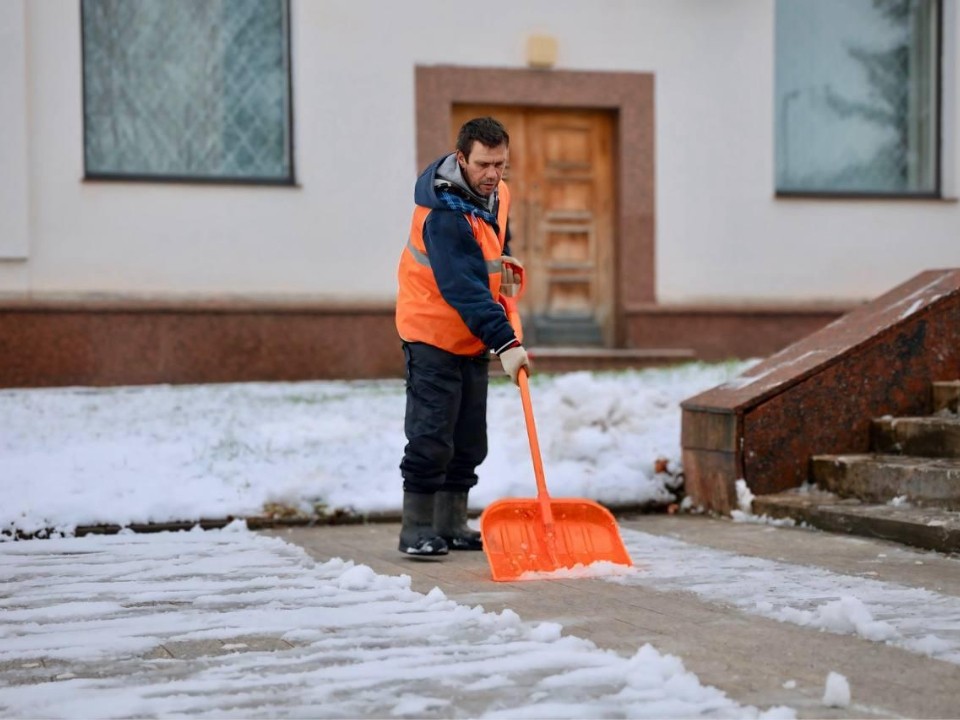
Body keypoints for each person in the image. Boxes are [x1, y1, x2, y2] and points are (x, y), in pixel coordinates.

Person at [394, 116, 530, 556]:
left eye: (500, 165)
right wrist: (506, 341)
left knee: (470, 440)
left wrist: (506, 267)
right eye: (483, 165)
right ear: (461, 159)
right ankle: (416, 530)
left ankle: (451, 524)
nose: (493, 175)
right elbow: (463, 287)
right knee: (432, 437)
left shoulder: (498, 194)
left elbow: (497, 242)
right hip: (432, 333)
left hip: (472, 336)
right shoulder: (443, 216)